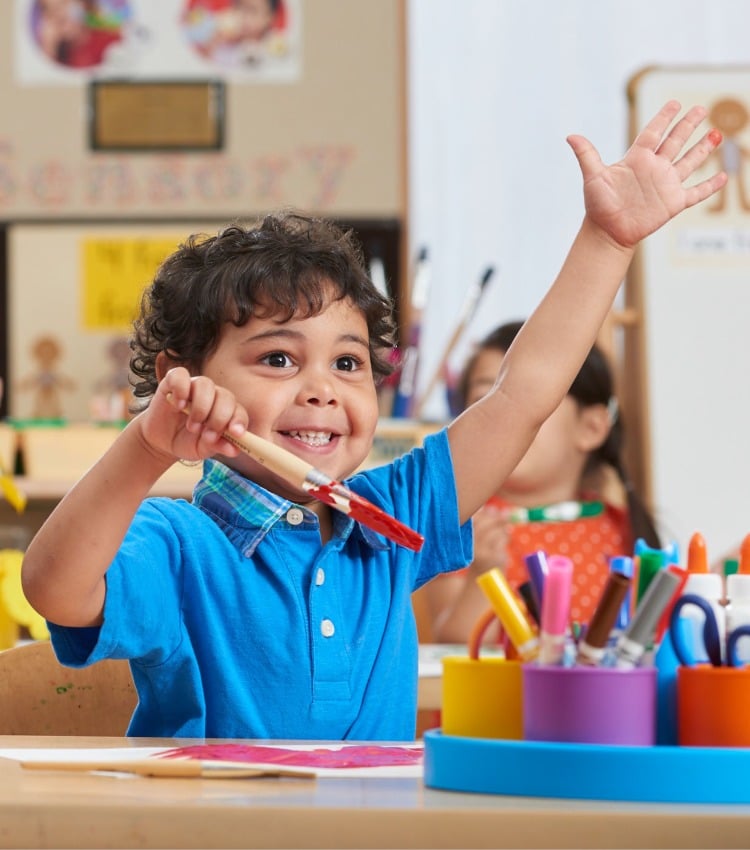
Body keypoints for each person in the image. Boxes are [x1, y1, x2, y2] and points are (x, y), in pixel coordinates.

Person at [21, 102, 726, 740]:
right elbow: (53, 586)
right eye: (277, 359)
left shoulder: (392, 516)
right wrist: (147, 445)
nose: (323, 391)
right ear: (185, 376)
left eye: (349, 364)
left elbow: (522, 396)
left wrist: (606, 242)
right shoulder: (178, 542)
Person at [420, 321, 662, 643]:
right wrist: (484, 572)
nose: (504, 417)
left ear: (591, 428)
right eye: (483, 398)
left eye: (531, 398)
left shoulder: (624, 530)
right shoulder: (463, 527)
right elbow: (457, 645)